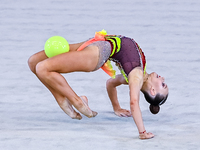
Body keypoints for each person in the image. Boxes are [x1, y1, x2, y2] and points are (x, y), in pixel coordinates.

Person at [28, 30, 168, 140]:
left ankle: (77, 101)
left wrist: (142, 132)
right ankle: (65, 99)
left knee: (42, 68)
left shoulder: (136, 76)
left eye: (163, 84)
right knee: (33, 62)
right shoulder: (136, 74)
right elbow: (111, 83)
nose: (163, 78)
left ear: (153, 90)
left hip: (96, 53)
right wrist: (116, 107)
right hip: (94, 42)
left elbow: (134, 102)